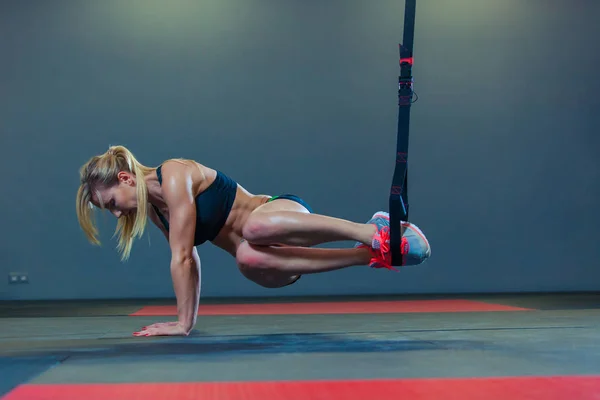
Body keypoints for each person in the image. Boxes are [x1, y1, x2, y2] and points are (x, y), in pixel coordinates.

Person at [76, 145, 431, 337]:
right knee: (247, 259)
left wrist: (181, 325)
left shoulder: (174, 174)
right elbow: (191, 261)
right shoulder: (156, 211)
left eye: (111, 204)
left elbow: (182, 256)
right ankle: (368, 254)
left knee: (254, 230)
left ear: (125, 178)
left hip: (280, 215)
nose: (117, 214)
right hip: (280, 262)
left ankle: (373, 231)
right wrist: (186, 323)